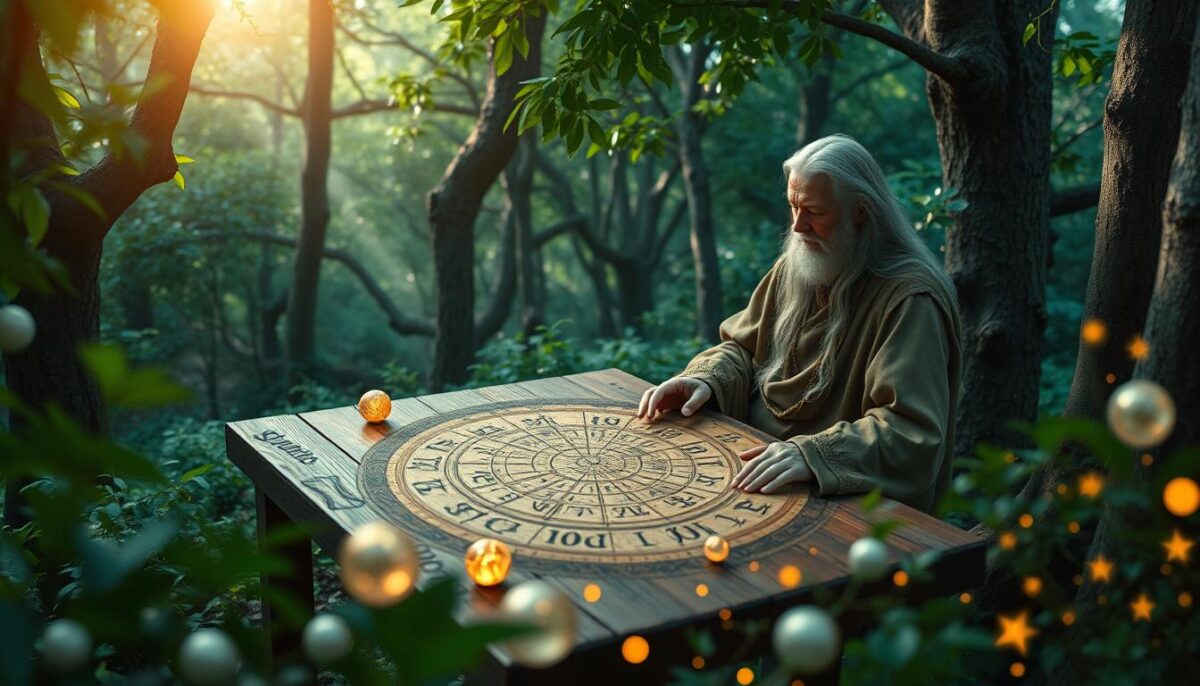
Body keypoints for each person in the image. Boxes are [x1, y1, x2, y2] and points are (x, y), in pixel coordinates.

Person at [636, 134, 962, 514]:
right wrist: (707, 380)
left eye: (814, 212)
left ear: (859, 212)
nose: (797, 226)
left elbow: (908, 433)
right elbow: (743, 349)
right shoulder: (797, 265)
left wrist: (813, 456)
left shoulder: (910, 300)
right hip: (755, 471)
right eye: (793, 206)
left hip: (844, 508)